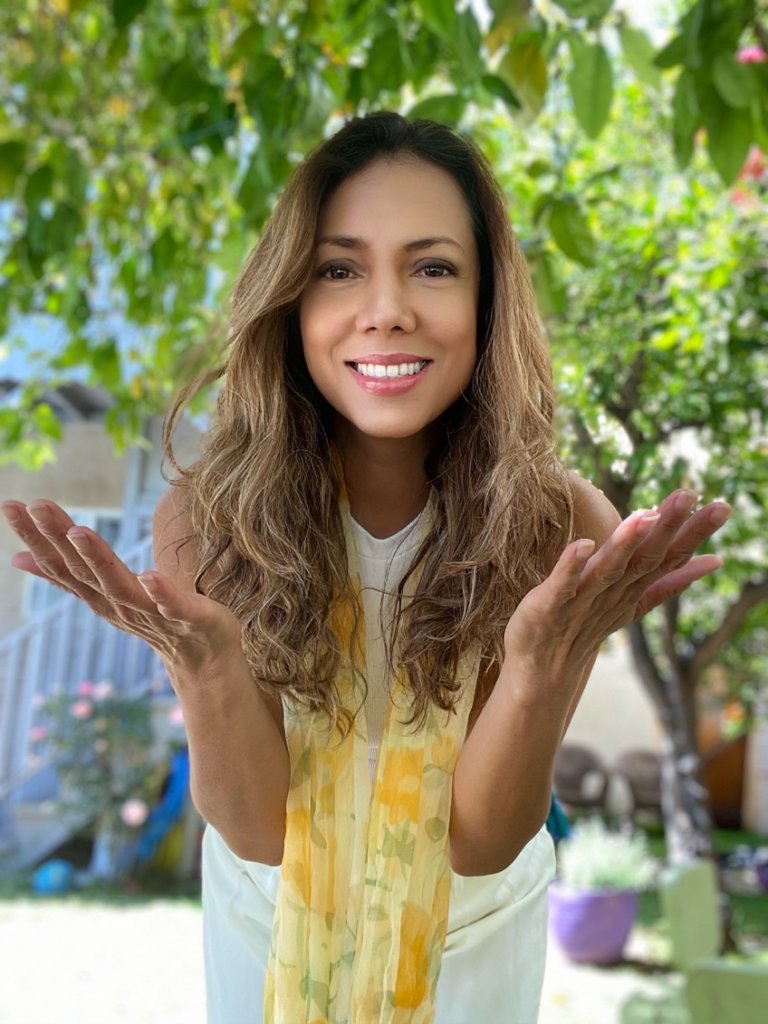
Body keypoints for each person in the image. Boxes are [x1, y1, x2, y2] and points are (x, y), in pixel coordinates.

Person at [1, 112, 730, 1024]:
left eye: (434, 268)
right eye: (339, 269)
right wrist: (207, 670)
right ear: (291, 303)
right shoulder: (208, 519)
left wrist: (537, 672)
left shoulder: (560, 524)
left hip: (468, 944)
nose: (386, 309)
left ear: (488, 301)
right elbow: (259, 831)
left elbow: (482, 841)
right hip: (271, 935)